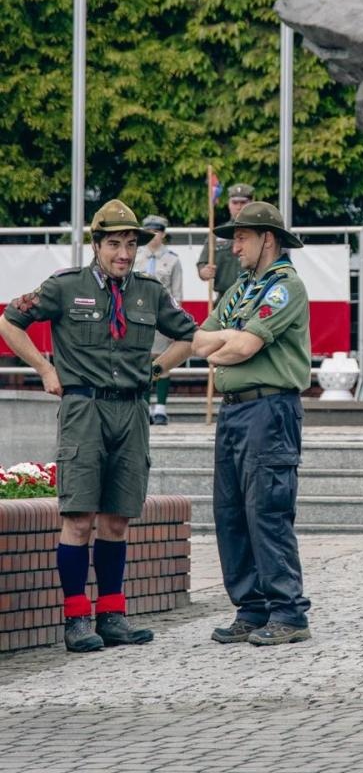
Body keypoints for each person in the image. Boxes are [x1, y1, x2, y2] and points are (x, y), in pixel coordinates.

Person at [0, 200, 195, 653]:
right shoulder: (66, 287)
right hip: (84, 409)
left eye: (130, 244)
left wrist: (157, 370)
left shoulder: (149, 291)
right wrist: (46, 371)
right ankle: (75, 620)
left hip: (131, 412)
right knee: (79, 518)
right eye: (115, 244)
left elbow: (187, 334)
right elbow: (11, 322)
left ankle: (111, 615)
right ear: (96, 245)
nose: (124, 253)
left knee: (117, 519)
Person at [192, 200, 311, 647]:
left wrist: (220, 347)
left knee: (267, 510)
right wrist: (215, 347)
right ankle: (252, 606)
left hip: (269, 409)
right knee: (231, 513)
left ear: (269, 240)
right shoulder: (240, 288)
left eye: (242, 237)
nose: (233, 245)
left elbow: (240, 347)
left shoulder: (284, 287)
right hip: (237, 409)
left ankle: (288, 612)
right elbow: (202, 340)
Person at [133, 215, 183, 425]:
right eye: (150, 231)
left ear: (163, 233)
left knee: (163, 360)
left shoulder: (172, 259)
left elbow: (177, 294)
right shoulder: (135, 257)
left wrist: (175, 322)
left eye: (158, 231)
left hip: (161, 314)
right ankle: (144, 407)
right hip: (137, 315)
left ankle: (160, 408)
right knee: (142, 360)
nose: (154, 236)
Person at [197, 182, 254, 298]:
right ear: (229, 204)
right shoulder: (218, 233)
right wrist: (204, 272)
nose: (239, 207)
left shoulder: (259, 233)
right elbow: (202, 263)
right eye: (235, 202)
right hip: (225, 298)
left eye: (243, 202)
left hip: (253, 297)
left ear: (251, 203)